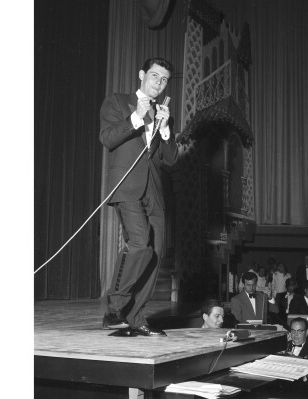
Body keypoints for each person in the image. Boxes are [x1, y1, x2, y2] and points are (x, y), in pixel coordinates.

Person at [99, 57, 178, 337]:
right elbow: (107, 138)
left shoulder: (162, 112)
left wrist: (166, 129)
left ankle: (136, 317)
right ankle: (114, 308)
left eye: (165, 79)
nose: (159, 83)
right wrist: (135, 117)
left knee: (154, 253)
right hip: (127, 185)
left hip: (154, 190)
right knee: (139, 242)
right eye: (155, 76)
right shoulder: (118, 102)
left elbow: (171, 159)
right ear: (142, 75)